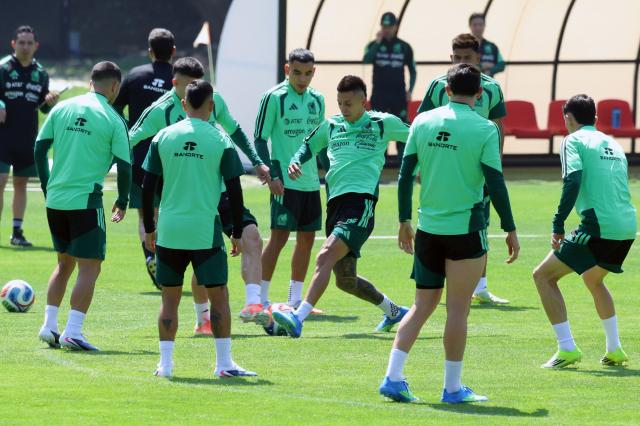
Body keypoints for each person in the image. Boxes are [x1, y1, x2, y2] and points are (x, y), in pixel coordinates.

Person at [380, 64, 519, 404]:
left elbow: (403, 175)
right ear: (480, 94)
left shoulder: (422, 122)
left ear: (445, 90)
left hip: (427, 230)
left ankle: (393, 377)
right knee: (457, 310)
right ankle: (452, 389)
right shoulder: (486, 129)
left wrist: (403, 220)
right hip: (466, 231)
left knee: (421, 306)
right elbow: (495, 183)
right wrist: (509, 227)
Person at [129, 57, 270, 335]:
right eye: (187, 84)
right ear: (174, 84)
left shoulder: (212, 100)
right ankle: (203, 318)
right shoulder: (160, 111)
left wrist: (257, 162)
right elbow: (129, 138)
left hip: (217, 191)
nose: (195, 88)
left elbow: (234, 130)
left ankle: (254, 305)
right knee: (201, 261)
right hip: (186, 197)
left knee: (252, 236)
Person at [273, 75, 409, 338]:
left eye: (348, 103)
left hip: (361, 205)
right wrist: (296, 161)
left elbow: (418, 134)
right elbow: (307, 146)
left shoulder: (382, 124)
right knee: (345, 280)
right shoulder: (332, 125)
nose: (343, 109)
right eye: (340, 103)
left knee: (324, 255)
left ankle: (298, 317)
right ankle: (393, 311)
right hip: (335, 206)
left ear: (363, 101)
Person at [142, 79, 256, 378]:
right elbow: (234, 188)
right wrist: (236, 230)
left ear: (183, 104)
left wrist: (150, 227)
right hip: (204, 231)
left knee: (170, 299)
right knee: (219, 296)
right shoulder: (220, 140)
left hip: (169, 230)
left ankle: (165, 365)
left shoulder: (163, 137)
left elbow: (148, 186)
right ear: (212, 105)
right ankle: (224, 364)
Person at [533, 94, 635, 369]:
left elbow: (573, 179)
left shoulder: (572, 140)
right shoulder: (612, 142)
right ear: (596, 119)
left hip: (597, 225)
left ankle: (567, 349)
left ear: (567, 117)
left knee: (542, 276)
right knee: (593, 279)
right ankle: (614, 349)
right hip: (628, 226)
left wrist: (558, 223)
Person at [35, 61, 131, 351]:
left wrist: (46, 184)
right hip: (86, 202)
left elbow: (39, 148)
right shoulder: (113, 119)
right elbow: (126, 166)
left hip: (56, 200)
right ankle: (73, 331)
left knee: (64, 263)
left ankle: (49, 326)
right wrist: (123, 200)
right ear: (115, 86)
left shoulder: (62, 108)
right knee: (90, 267)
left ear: (91, 81)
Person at [418, 33, 508, 304]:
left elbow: (498, 128)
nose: (460, 62)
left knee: (480, 222)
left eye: (466, 57)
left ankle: (480, 286)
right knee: (442, 221)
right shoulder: (438, 86)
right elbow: (421, 123)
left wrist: (496, 164)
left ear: (478, 58)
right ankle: (440, 284)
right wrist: (422, 164)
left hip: (476, 169)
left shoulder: (491, 88)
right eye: (456, 57)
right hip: (444, 166)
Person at [254, 48, 325, 311]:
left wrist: (328, 175)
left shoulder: (318, 100)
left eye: (308, 73)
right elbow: (260, 139)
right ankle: (259, 299)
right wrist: (271, 174)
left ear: (313, 72)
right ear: (287, 70)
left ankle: (295, 299)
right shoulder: (273, 98)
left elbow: (320, 143)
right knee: (279, 239)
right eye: (297, 72)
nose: (302, 79)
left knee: (307, 240)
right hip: (284, 183)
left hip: (310, 183)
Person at [113, 28, 176, 288]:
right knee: (171, 212)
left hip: (140, 156)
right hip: (175, 156)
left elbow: (114, 109)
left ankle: (151, 256)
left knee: (145, 215)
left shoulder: (136, 76)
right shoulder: (179, 78)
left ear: (150, 50)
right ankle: (170, 261)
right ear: (173, 51)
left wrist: (129, 130)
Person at [0, 25, 59, 246]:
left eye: (29, 43)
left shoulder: (41, 73)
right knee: (0, 180)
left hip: (26, 137)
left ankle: (17, 232)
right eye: (21, 43)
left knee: (21, 183)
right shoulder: (3, 68)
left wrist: (50, 102)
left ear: (36, 46)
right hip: (3, 136)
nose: (25, 47)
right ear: (13, 44)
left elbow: (42, 107)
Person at [363, 11, 416, 160]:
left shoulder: (404, 46)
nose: (387, 29)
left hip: (398, 94)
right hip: (379, 94)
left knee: (401, 127)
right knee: (378, 128)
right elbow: (366, 60)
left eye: (390, 26)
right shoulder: (374, 45)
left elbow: (413, 70)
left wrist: (410, 90)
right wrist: (378, 42)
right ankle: (380, 163)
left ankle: (403, 162)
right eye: (384, 25)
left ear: (395, 26)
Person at [468, 13, 505, 77]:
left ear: (484, 25)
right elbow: (460, 66)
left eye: (480, 24)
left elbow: (501, 65)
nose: (478, 27)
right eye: (475, 25)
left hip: (487, 85)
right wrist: (482, 66)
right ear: (470, 26)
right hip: (469, 84)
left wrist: (491, 70)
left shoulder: (492, 46)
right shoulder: (465, 46)